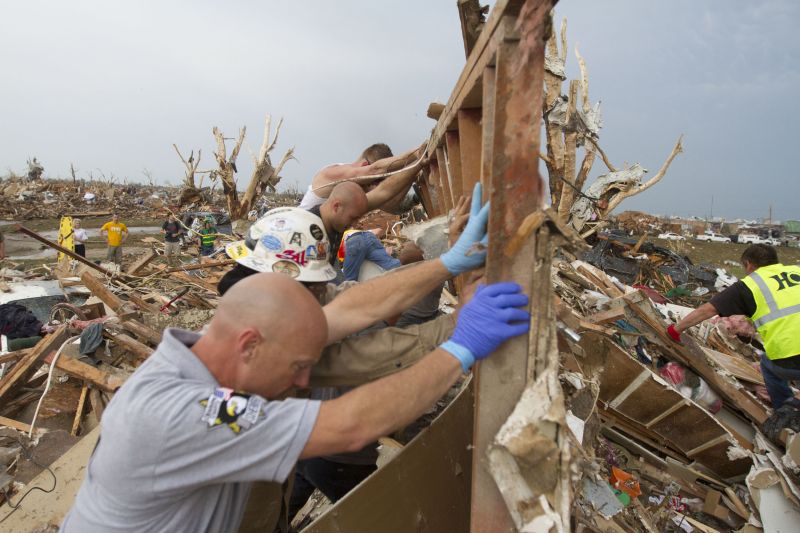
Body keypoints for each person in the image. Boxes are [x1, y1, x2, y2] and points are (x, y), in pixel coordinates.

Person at [62, 186, 530, 533]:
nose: (308, 376)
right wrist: (461, 346)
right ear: (250, 344)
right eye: (297, 368)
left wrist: (447, 264)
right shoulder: (195, 414)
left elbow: (350, 312)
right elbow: (347, 424)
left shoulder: (230, 347)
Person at [668, 244, 800, 409]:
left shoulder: (749, 285)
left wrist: (675, 329)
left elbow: (707, 310)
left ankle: (785, 410)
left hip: (790, 361)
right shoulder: (796, 271)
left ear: (749, 264)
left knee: (768, 365)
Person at [299, 143, 426, 214]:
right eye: (377, 181)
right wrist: (416, 154)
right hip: (297, 234)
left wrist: (415, 168)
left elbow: (390, 203)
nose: (376, 186)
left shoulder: (356, 188)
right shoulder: (332, 173)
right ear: (365, 165)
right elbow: (375, 170)